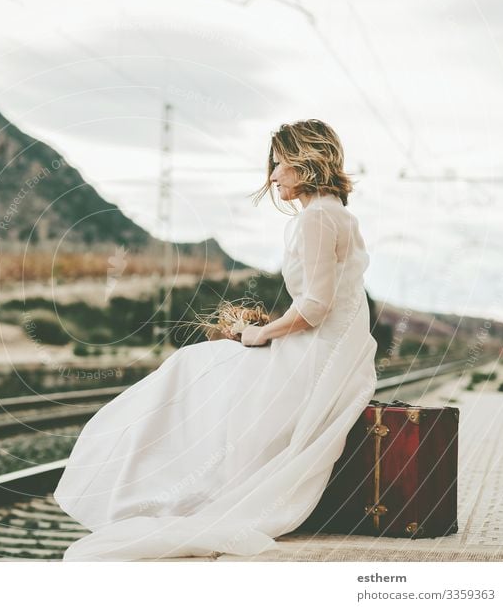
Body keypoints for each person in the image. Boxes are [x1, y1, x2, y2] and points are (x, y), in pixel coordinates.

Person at [53, 119, 378, 561]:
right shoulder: (340, 215)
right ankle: (180, 481)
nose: (274, 176)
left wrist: (259, 332)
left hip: (318, 356)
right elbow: (330, 303)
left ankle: (155, 487)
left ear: (305, 164)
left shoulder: (316, 219)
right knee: (212, 367)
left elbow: (316, 306)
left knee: (191, 367)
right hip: (341, 351)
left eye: (280, 164)